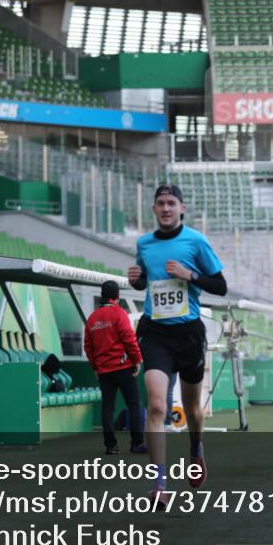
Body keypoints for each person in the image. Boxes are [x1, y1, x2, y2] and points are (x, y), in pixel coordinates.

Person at [128, 184, 228, 505]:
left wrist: (190, 274)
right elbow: (145, 279)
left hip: (188, 333)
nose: (166, 209)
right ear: (154, 210)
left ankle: (195, 449)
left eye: (172, 203)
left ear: (182, 208)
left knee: (192, 408)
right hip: (155, 332)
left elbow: (221, 286)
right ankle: (159, 483)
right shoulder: (144, 244)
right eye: (160, 204)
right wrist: (136, 279)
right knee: (157, 405)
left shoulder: (196, 241)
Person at [84, 280, 146, 455]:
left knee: (108, 407)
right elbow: (129, 339)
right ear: (117, 297)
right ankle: (137, 443)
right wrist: (137, 360)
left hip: (104, 371)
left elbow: (88, 346)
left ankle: (110, 446)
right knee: (134, 404)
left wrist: (95, 367)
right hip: (123, 367)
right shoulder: (119, 314)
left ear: (102, 296)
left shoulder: (92, 318)